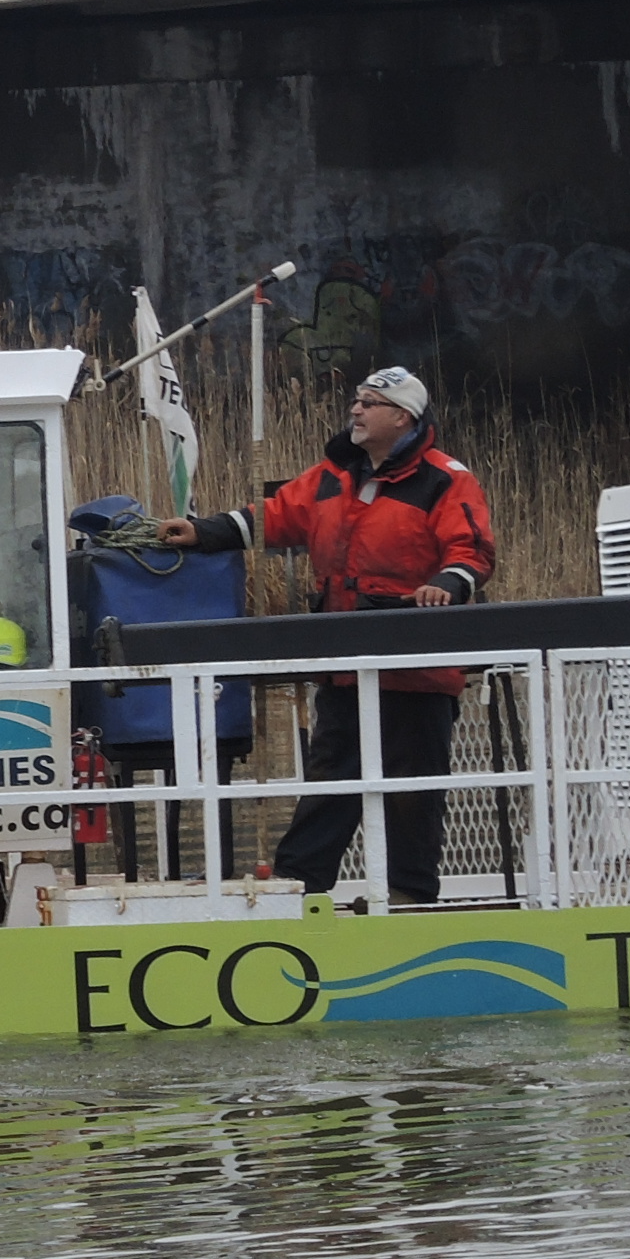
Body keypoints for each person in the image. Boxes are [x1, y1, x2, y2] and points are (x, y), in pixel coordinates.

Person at [156, 367, 495, 906]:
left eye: (369, 403)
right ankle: (299, 890)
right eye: (356, 401)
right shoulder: (332, 475)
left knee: (414, 793)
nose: (355, 411)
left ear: (402, 416)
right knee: (331, 783)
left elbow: (472, 551)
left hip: (417, 669)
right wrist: (204, 531)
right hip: (343, 664)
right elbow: (273, 518)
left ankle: (411, 897)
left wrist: (443, 585)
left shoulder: (447, 479)